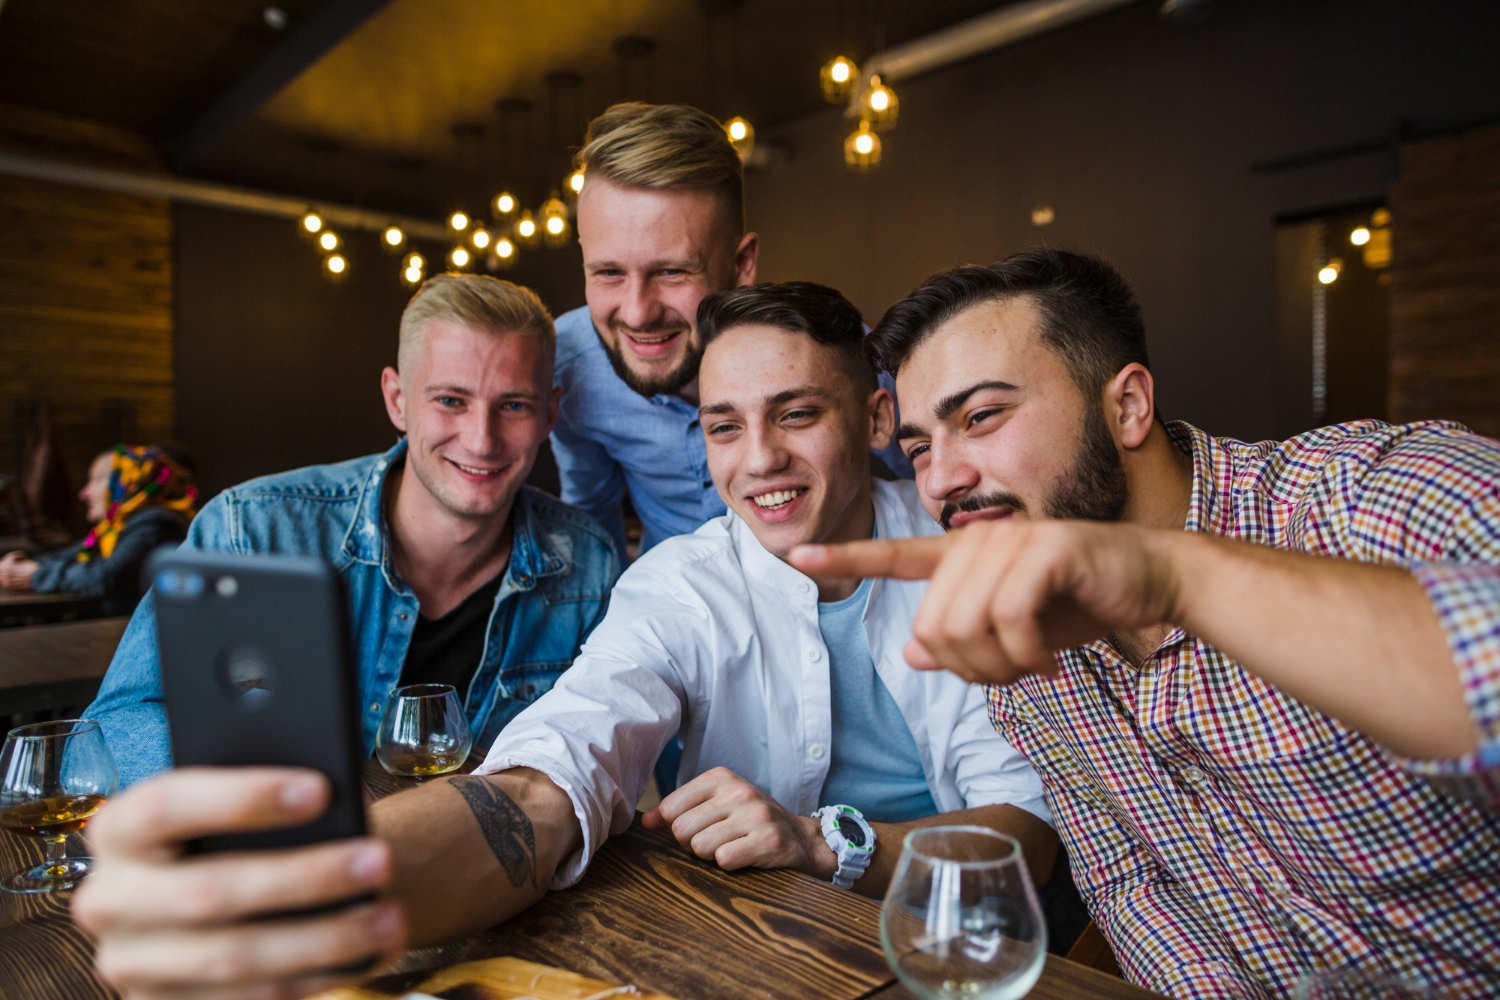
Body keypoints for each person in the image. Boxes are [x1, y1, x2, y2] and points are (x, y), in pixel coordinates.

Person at [73, 282, 1054, 999]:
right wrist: (301, 896)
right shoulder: (678, 579)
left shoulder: (971, 545)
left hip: (970, 962)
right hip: (772, 961)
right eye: (724, 426)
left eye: (797, 415)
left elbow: (1030, 837)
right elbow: (557, 768)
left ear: (874, 414)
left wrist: (820, 841)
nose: (760, 460)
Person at [790, 248, 1500, 999]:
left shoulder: (1367, 494)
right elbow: (1132, 885)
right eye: (920, 448)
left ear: (1127, 406)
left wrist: (1171, 574)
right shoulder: (1030, 664)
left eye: (982, 417)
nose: (941, 481)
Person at [84, 274, 619, 785]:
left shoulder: (587, 563)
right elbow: (120, 721)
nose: (481, 440)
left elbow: (599, 756)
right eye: (451, 400)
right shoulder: (253, 529)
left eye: (514, 405)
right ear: (397, 400)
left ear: (550, 414)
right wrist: (275, 793)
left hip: (484, 864)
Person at [553, 102, 911, 562]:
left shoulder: (834, 351)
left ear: (742, 264)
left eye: (671, 272)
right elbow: (592, 523)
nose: (638, 313)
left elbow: (931, 475)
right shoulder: (568, 364)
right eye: (608, 273)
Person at [0, 444, 196, 615]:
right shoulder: (115, 528)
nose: (84, 493)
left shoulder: (155, 524)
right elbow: (74, 555)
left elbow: (106, 577)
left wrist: (34, 575)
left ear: (123, 482)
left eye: (95, 480)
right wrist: (20, 566)